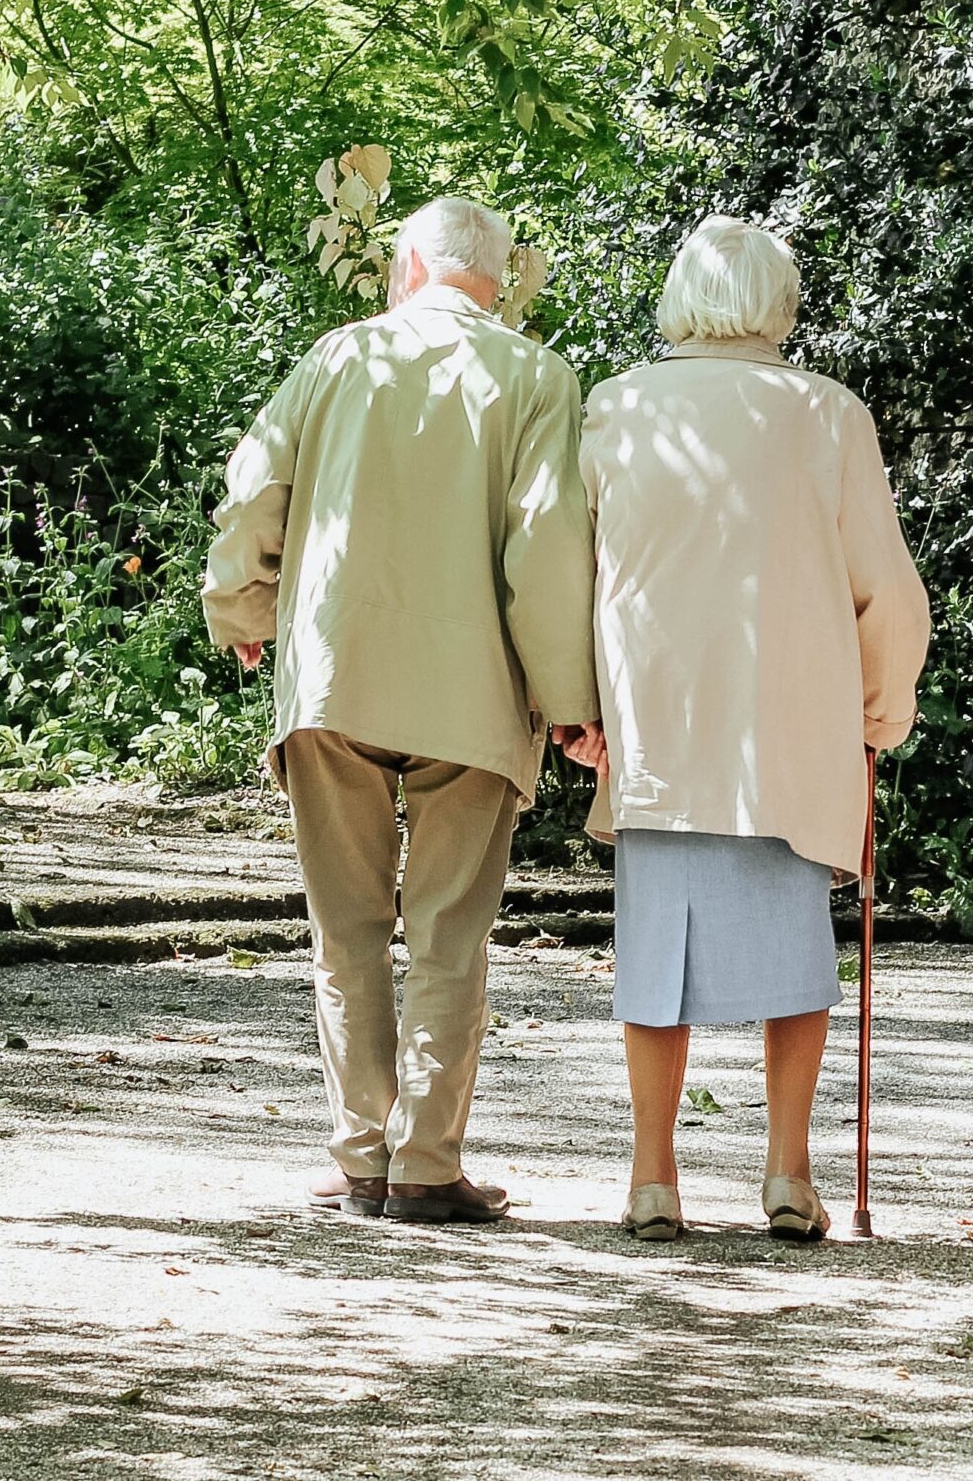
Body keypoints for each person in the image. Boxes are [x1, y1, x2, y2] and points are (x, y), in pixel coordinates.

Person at [202, 196, 601, 1225]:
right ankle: (425, 1165)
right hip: (473, 692)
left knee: (345, 931)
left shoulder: (335, 358)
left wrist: (240, 605)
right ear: (498, 280)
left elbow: (254, 496)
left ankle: (359, 1157)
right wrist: (568, 702)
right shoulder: (536, 376)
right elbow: (547, 547)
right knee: (447, 934)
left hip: (337, 676)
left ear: (408, 266)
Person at [561, 215, 930, 1242]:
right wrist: (880, 709)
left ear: (681, 296)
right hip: (790, 728)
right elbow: (886, 590)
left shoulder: (616, 407)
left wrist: (574, 708)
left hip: (659, 722)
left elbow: (567, 573)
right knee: (794, 960)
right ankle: (786, 1173)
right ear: (780, 302)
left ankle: (651, 1177)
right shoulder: (826, 415)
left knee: (652, 963)